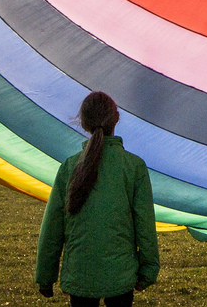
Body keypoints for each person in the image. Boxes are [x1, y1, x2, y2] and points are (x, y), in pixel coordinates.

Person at [35, 92, 159, 306]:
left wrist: (45, 277)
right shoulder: (134, 167)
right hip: (120, 276)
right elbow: (144, 226)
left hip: (79, 275)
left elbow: (52, 228)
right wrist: (147, 271)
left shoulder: (69, 167)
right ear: (116, 118)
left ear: (83, 123)